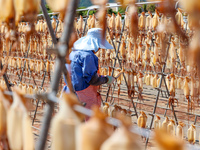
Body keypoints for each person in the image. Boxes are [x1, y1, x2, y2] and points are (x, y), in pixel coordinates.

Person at [63, 28, 115, 109]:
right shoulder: (88, 56)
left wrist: (100, 77)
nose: (99, 49)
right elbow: (93, 80)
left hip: (69, 92)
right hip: (82, 96)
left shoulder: (73, 53)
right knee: (86, 120)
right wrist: (106, 79)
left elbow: (79, 73)